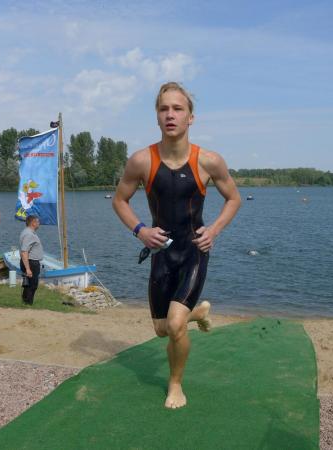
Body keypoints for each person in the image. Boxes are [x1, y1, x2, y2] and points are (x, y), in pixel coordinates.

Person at [112, 81, 241, 408]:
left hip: (194, 251)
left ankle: (175, 384)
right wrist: (140, 230)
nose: (170, 114)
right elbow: (119, 200)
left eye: (177, 108)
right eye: (164, 109)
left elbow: (234, 198)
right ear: (157, 116)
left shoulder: (208, 161)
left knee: (174, 324)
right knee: (161, 329)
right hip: (161, 253)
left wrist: (214, 230)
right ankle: (196, 313)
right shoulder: (142, 161)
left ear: (190, 118)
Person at [19, 215, 43, 305]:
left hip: (29, 262)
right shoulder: (29, 234)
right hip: (31, 262)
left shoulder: (27, 232)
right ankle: (28, 304)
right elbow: (24, 252)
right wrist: (28, 269)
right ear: (33, 223)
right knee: (32, 285)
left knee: (28, 284)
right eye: (38, 222)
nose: (39, 223)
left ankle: (25, 303)